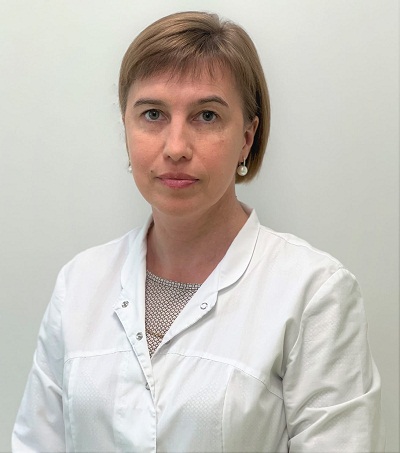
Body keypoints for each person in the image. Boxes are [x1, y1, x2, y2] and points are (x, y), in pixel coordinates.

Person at [12, 11, 385, 453]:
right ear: (126, 128)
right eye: (153, 114)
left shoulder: (314, 295)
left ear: (246, 138)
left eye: (206, 116)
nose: (175, 148)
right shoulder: (79, 283)